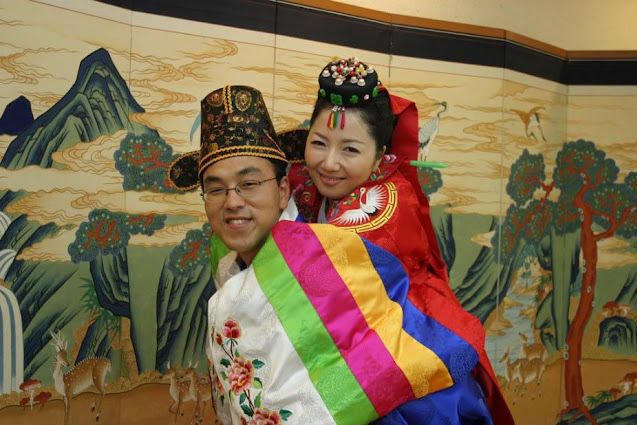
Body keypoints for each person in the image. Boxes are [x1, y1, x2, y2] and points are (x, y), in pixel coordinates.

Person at [169, 85, 500, 424]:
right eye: (215, 188)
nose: (233, 201)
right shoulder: (289, 219)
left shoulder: (359, 226)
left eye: (250, 183)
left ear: (283, 191)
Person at [281, 57, 514, 424]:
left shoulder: (387, 201)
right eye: (319, 143)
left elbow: (315, 265)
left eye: (350, 150)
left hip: (404, 349)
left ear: (379, 156)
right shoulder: (307, 184)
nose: (328, 162)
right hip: (348, 348)